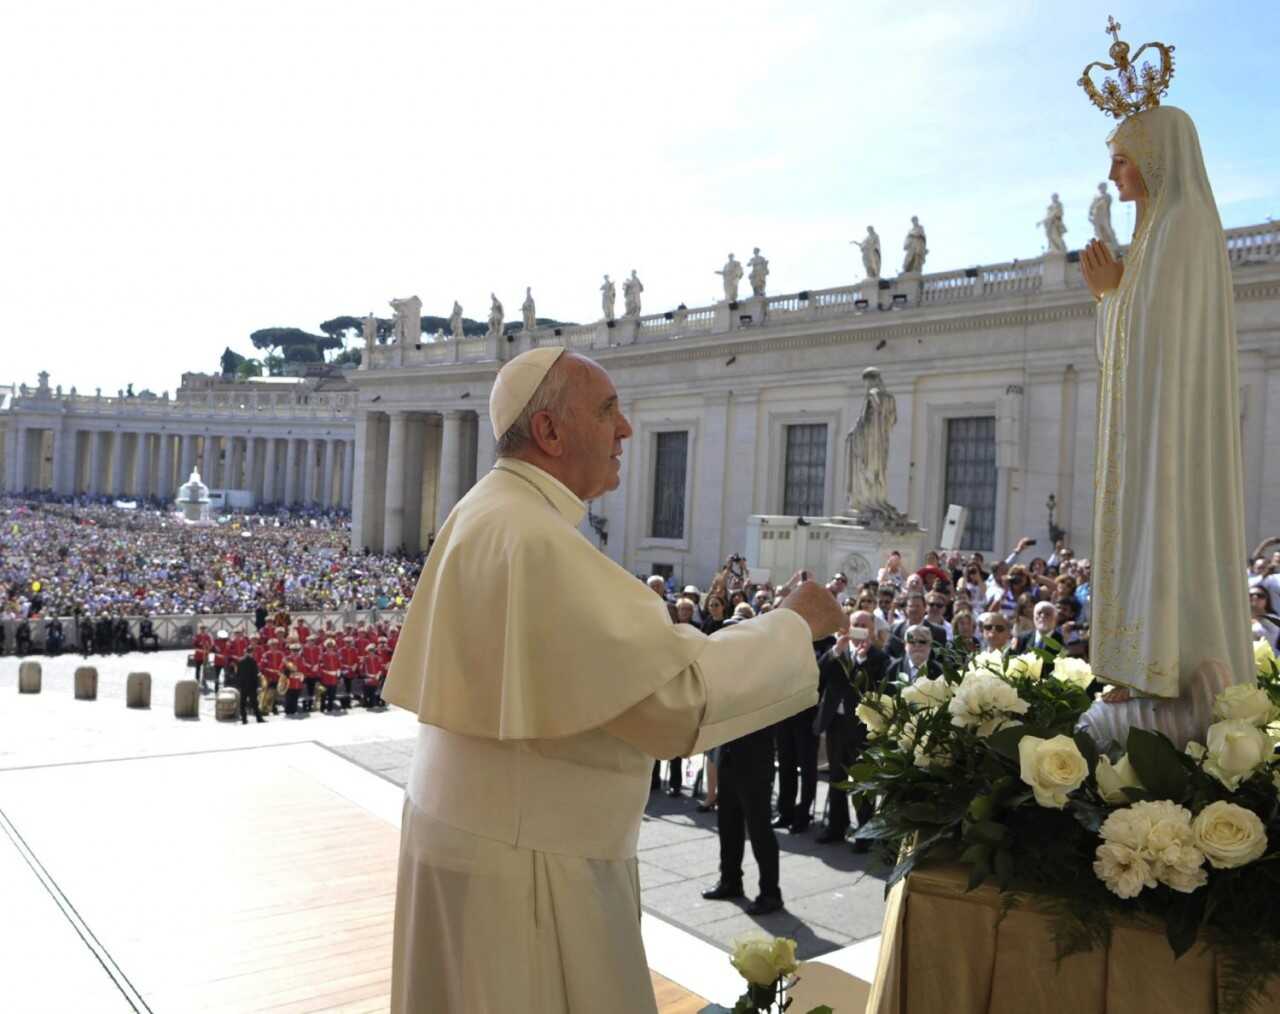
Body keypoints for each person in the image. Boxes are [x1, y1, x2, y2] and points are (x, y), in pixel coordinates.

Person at [382, 347, 845, 1014]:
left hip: (477, 836)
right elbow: (669, 703)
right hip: (532, 865)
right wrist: (794, 627)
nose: (626, 429)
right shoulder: (534, 537)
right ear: (549, 432)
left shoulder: (489, 513)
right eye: (608, 411)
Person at [1077, 100, 1251, 750]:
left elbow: (1160, 339)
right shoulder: (1154, 229)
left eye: (1123, 157)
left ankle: (1166, 668)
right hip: (1149, 427)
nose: (1115, 171)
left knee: (1166, 524)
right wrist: (1115, 296)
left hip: (1168, 432)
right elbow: (1134, 336)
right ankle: (1139, 668)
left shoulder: (1183, 225)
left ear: (1157, 157)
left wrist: (1112, 295)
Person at [814, 610, 889, 851]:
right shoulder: (839, 649)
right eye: (855, 624)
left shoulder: (878, 656)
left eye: (863, 625)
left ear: (872, 629)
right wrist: (837, 650)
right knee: (836, 778)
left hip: (861, 728)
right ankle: (836, 826)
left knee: (862, 781)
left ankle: (865, 833)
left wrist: (863, 658)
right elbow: (820, 674)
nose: (858, 628)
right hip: (836, 725)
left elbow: (877, 685)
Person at [236, 648, 264, 724]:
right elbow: (255, 675)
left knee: (243, 703)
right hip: (252, 685)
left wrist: (239, 685)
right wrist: (258, 685)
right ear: (251, 653)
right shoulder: (253, 661)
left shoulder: (240, 661)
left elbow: (238, 674)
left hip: (243, 685)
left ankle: (244, 719)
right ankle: (259, 718)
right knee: (254, 703)